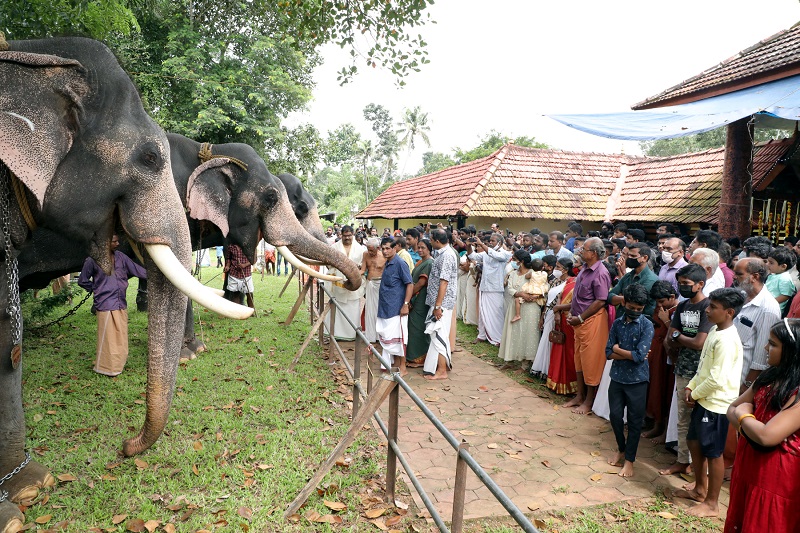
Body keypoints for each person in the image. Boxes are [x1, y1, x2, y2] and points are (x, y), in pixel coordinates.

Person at [725, 319, 800, 533]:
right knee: (743, 515)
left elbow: (768, 436)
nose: (766, 348)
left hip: (775, 478)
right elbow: (731, 408)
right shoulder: (768, 377)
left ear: (793, 351)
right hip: (749, 465)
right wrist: (749, 423)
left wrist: (743, 415)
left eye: (773, 344)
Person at [677, 288, 745, 518]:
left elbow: (717, 378)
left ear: (729, 312)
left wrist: (695, 394)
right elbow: (704, 366)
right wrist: (691, 386)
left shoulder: (727, 340)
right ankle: (699, 488)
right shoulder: (716, 329)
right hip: (703, 398)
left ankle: (712, 503)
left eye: (713, 307)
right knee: (694, 442)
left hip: (716, 404)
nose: (707, 310)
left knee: (713, 452)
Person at [660, 263, 712, 477]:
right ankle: (682, 460)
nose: (682, 287)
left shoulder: (708, 308)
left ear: (700, 284)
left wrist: (676, 338)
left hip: (703, 372)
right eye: (680, 284)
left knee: (701, 420)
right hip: (683, 368)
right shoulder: (682, 306)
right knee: (683, 417)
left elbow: (699, 342)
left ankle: (698, 465)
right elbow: (669, 337)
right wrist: (678, 339)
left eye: (686, 284)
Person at [78, 234, 147, 377]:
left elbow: (137, 270)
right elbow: (82, 280)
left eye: (117, 240)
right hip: (105, 304)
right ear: (105, 243)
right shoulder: (92, 260)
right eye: (114, 241)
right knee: (108, 339)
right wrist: (96, 288)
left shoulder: (121, 257)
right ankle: (106, 368)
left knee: (120, 336)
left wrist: (157, 274)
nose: (118, 243)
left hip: (121, 302)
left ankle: (118, 365)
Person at [606, 284, 655, 478]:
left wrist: (619, 350)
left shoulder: (647, 325)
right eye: (632, 307)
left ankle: (630, 460)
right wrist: (625, 353)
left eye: (639, 309)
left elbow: (640, 355)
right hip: (617, 378)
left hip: (638, 381)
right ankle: (621, 447)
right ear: (624, 303)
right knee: (615, 417)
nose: (635, 312)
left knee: (635, 422)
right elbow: (608, 353)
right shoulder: (617, 323)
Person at [564, 237, 611, 414]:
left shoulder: (601, 272)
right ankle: (579, 396)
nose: (580, 251)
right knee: (579, 360)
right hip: (579, 321)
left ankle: (589, 402)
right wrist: (572, 312)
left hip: (592, 321)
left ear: (593, 253)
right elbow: (579, 297)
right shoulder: (584, 268)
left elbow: (600, 301)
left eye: (584, 249)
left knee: (591, 362)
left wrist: (581, 317)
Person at [643, 281, 678, 441]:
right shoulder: (660, 308)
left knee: (664, 388)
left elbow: (676, 334)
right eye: (657, 302)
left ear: (672, 297)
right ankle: (653, 421)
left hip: (667, 355)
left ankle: (662, 427)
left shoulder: (678, 310)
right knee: (653, 386)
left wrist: (666, 320)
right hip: (654, 350)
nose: (659, 305)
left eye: (662, 301)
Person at [423, 229, 459, 380]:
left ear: (437, 241)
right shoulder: (443, 253)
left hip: (442, 303)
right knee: (437, 334)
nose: (429, 242)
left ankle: (442, 371)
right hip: (439, 301)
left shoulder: (447, 256)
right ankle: (440, 367)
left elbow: (444, 282)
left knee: (438, 335)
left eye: (430, 240)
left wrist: (438, 306)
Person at [375, 237, 413, 376]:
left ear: (395, 248)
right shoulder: (388, 263)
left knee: (399, 339)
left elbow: (410, 284)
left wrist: (405, 304)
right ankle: (396, 365)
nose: (385, 251)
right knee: (388, 338)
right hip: (385, 307)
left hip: (397, 308)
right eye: (383, 248)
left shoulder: (400, 263)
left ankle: (403, 368)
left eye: (387, 248)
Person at [498, 251, 543, 368]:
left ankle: (525, 364)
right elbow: (510, 288)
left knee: (528, 333)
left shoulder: (533, 273)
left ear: (521, 261)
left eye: (515, 259)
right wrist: (520, 294)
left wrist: (532, 296)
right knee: (512, 331)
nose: (513, 261)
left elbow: (541, 287)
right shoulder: (513, 273)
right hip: (515, 305)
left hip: (530, 306)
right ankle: (509, 360)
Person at [467, 233, 512, 346]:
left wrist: (481, 244)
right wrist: (468, 246)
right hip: (484, 286)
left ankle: (498, 338)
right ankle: (481, 335)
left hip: (495, 288)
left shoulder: (504, 254)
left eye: (492, 241)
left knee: (496, 313)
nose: (490, 243)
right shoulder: (486, 253)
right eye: (490, 241)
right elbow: (472, 256)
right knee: (483, 312)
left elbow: (495, 255)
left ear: (500, 243)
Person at [530, 257, 570, 380]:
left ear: (565, 270)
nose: (556, 269)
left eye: (558, 267)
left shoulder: (569, 283)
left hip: (557, 315)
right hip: (548, 312)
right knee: (545, 339)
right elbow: (547, 299)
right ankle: (541, 368)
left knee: (553, 340)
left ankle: (549, 370)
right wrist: (542, 316)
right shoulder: (554, 281)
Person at [326, 226, 366, 341]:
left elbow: (363, 267)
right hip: (338, 282)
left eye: (349, 235)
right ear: (341, 235)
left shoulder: (361, 249)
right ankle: (336, 334)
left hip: (354, 285)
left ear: (353, 235)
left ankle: (350, 334)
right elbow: (328, 264)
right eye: (345, 236)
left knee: (352, 308)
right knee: (337, 308)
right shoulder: (334, 248)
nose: (347, 238)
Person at [608, 243, 659, 317]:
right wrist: (623, 298)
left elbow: (635, 301)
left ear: (644, 258)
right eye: (628, 255)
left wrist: (621, 297)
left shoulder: (651, 279)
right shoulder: (628, 276)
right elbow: (609, 296)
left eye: (633, 256)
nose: (629, 258)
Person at [406, 239, 434, 367]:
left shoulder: (429, 263)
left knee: (418, 327)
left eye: (423, 248)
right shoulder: (420, 262)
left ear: (429, 249)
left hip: (421, 299)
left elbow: (421, 283)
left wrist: (408, 296)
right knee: (412, 327)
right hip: (415, 298)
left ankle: (420, 358)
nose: (420, 250)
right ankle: (413, 356)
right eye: (419, 248)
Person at [361, 237, 386, 346]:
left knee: (378, 309)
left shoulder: (384, 256)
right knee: (370, 310)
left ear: (378, 248)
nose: (369, 252)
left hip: (380, 285)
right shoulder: (365, 254)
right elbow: (363, 269)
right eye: (368, 249)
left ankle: (379, 335)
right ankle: (371, 336)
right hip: (369, 284)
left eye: (372, 250)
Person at [511, 257, 548, 323]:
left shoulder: (532, 274)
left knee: (517, 300)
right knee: (533, 297)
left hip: (532, 289)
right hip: (540, 290)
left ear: (531, 267)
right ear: (543, 267)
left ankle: (517, 315)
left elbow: (526, 276)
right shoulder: (545, 274)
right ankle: (533, 298)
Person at [765, 246, 797, 314]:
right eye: (767, 261)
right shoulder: (773, 275)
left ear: (783, 266)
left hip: (774, 310)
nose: (767, 264)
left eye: (771, 263)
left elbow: (786, 295)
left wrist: (771, 302)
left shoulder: (784, 278)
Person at [224, 243, 255, 310]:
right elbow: (228, 258)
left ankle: (251, 310)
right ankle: (238, 310)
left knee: (249, 293)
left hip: (246, 274)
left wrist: (244, 265)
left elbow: (254, 259)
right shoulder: (231, 246)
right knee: (236, 293)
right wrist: (227, 266)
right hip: (234, 274)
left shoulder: (249, 245)